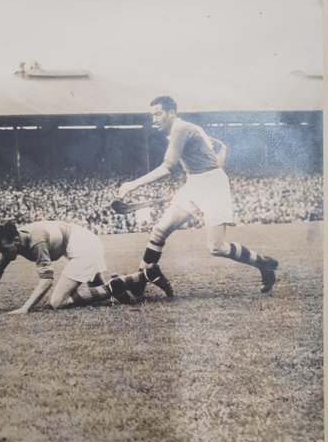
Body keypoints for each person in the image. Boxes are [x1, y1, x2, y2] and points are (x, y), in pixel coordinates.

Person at [119, 95, 278, 296]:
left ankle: (263, 265)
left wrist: (133, 184)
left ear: (171, 113)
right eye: (152, 115)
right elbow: (218, 152)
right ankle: (139, 281)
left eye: (158, 114)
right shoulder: (188, 129)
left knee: (217, 248)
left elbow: (167, 167)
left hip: (213, 185)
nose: (154, 119)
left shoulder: (181, 129)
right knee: (159, 230)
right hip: (194, 182)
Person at [0, 220, 173, 314]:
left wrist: (25, 308)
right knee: (100, 293)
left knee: (57, 302)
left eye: (6, 250)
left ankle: (114, 286)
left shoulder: (35, 241)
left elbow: (46, 281)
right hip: (80, 242)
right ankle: (145, 275)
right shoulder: (15, 241)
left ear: (15, 241)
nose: (4, 256)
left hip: (81, 246)